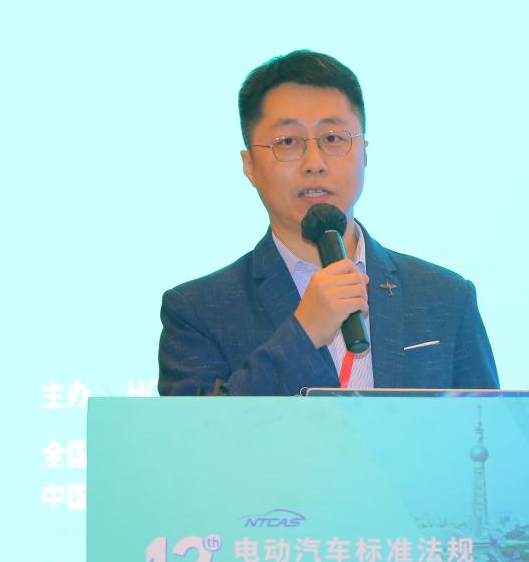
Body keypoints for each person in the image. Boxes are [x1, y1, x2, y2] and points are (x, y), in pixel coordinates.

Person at [157, 50, 499, 396]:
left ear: (364, 152)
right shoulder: (197, 311)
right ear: (250, 165)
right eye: (287, 142)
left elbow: (487, 425)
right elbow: (198, 429)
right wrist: (304, 333)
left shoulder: (446, 297)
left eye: (333, 139)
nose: (314, 163)